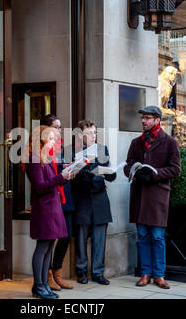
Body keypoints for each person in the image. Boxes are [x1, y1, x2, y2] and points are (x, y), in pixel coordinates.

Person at [123, 105, 181, 289]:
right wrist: (133, 173)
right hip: (140, 195)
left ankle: (159, 275)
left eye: (147, 118)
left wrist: (154, 175)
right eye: (143, 118)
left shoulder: (170, 142)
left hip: (157, 197)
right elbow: (127, 165)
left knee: (157, 237)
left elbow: (175, 169)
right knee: (142, 236)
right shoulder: (136, 142)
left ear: (157, 120)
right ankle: (145, 274)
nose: (143, 121)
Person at [25, 125, 75, 299]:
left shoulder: (44, 159)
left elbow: (52, 183)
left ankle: (43, 285)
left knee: (49, 248)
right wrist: (61, 177)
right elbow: (39, 187)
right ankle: (39, 286)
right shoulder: (34, 159)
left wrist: (66, 177)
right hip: (44, 208)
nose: (55, 142)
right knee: (42, 247)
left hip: (51, 207)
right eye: (52, 138)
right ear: (42, 139)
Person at [71, 119, 116, 285]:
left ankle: (98, 272)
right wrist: (84, 175)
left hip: (99, 199)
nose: (93, 136)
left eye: (95, 133)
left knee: (99, 238)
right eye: (89, 133)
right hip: (82, 199)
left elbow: (110, 174)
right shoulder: (72, 151)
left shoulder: (102, 149)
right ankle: (81, 271)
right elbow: (69, 179)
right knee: (81, 237)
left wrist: (108, 173)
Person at [40, 114, 75, 291]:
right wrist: (62, 171)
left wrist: (69, 166)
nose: (59, 130)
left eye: (60, 127)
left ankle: (57, 273)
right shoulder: (42, 148)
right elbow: (47, 174)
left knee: (66, 236)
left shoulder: (61, 146)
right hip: (52, 196)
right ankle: (46, 275)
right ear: (45, 128)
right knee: (50, 239)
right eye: (56, 127)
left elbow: (57, 168)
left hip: (64, 194)